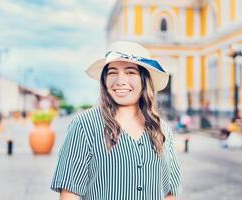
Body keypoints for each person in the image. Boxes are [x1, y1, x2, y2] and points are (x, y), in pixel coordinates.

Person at [50, 41, 181, 200]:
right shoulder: (84, 125)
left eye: (130, 72)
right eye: (112, 72)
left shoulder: (162, 129)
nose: (120, 81)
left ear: (144, 80)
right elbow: (70, 193)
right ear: (104, 79)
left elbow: (169, 194)